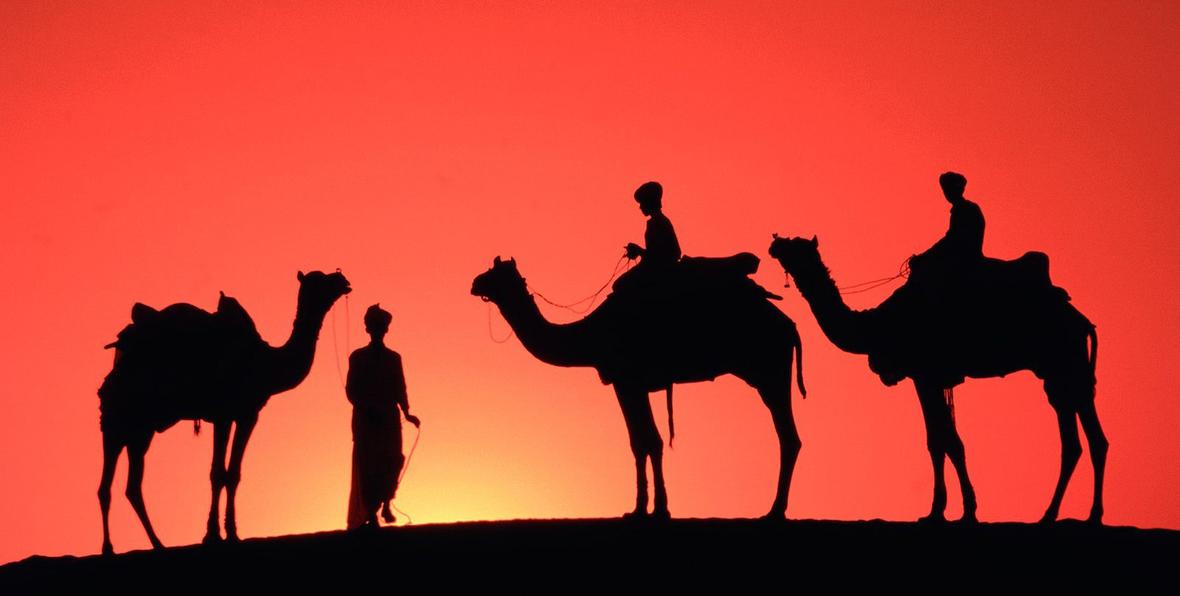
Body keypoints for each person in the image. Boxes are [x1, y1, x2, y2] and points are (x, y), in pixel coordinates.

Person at [345, 304, 420, 530]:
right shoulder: (357, 357)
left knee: (392, 460)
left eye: (382, 326)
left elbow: (400, 386)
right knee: (368, 466)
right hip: (367, 421)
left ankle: (386, 503)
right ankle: (372, 514)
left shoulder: (393, 358)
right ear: (369, 329)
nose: (379, 330)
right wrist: (367, 408)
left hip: (389, 418)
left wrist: (407, 412)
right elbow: (352, 389)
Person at [910, 171, 985, 282]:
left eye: (948, 189)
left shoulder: (964, 209)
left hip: (963, 260)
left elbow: (952, 239)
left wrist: (924, 257)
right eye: (945, 190)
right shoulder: (966, 208)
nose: (946, 193)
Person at [625, 181, 682, 269]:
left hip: (662, 270)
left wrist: (638, 250)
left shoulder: (659, 222)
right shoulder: (657, 221)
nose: (640, 207)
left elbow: (661, 256)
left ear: (650, 202)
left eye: (642, 203)